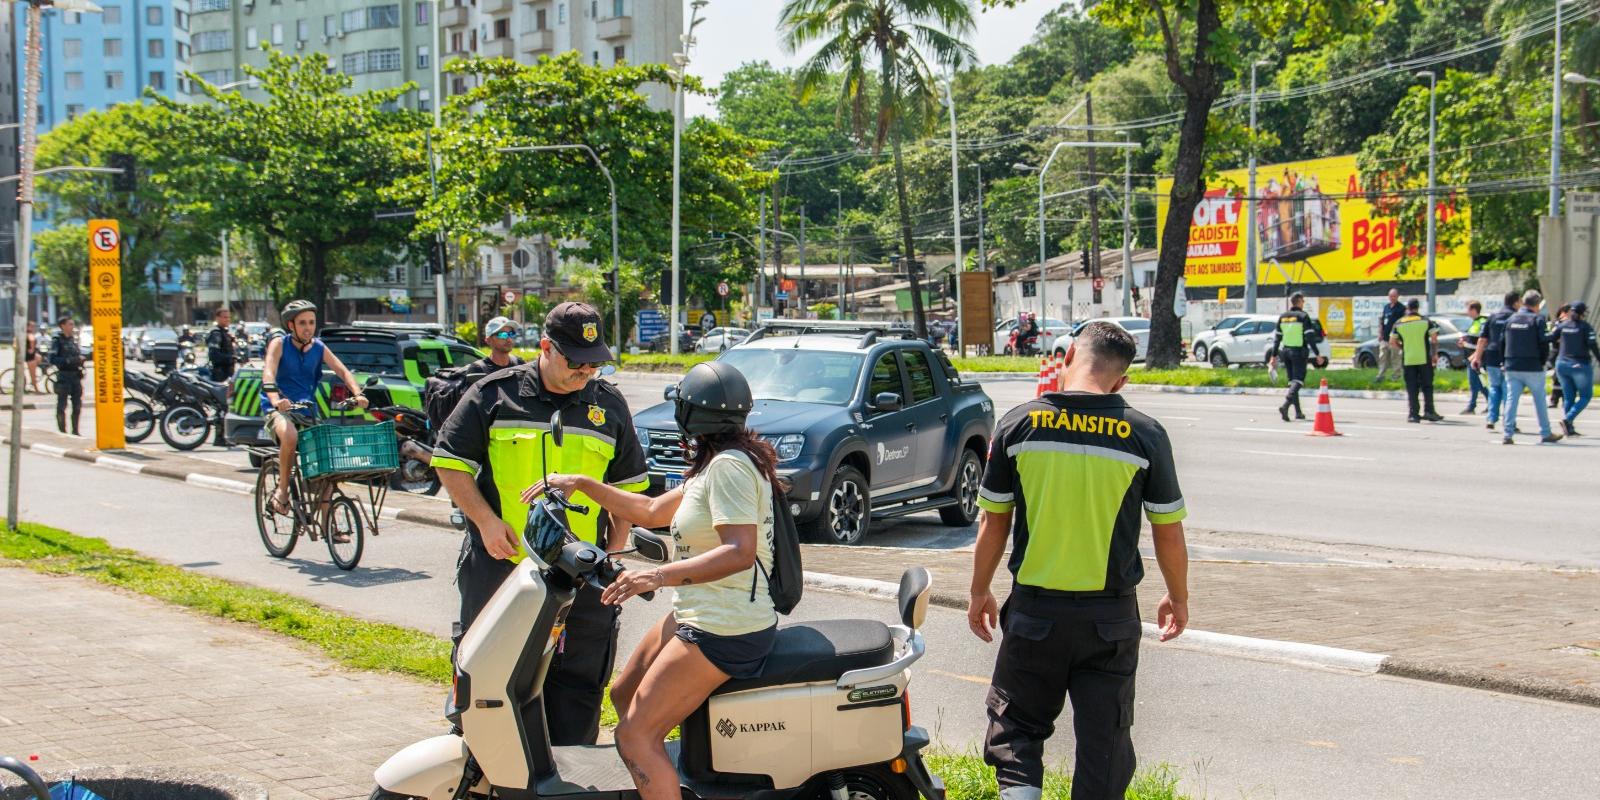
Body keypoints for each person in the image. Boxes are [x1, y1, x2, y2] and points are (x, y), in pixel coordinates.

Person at [523, 361, 777, 800]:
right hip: (700, 612)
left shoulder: (731, 468)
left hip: (725, 626)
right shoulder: (714, 465)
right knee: (624, 694)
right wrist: (582, 483)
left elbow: (740, 551)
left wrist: (655, 576)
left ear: (693, 413)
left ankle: (657, 777)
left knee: (632, 736)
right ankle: (664, 781)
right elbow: (649, 512)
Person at [968, 321, 1190, 800]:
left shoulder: (1020, 424)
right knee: (1104, 745)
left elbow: (993, 524)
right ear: (1122, 381)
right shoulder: (1145, 435)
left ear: (1066, 357)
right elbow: (1168, 533)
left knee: (1017, 731)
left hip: (1035, 615)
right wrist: (1177, 596)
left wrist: (978, 590)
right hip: (1109, 622)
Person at [431, 301, 648, 745]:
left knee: (578, 689)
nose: (586, 371)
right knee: (489, 687)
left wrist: (614, 549)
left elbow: (629, 489)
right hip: (502, 570)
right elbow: (449, 463)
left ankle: (568, 779)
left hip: (582, 579)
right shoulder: (493, 395)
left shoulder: (608, 406)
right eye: (576, 362)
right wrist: (487, 523)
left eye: (594, 363)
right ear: (545, 348)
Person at [259, 300, 371, 514]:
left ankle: (329, 524)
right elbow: (268, 372)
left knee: (329, 463)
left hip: (307, 411)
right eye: (302, 323)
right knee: (290, 436)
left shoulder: (318, 347)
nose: (308, 327)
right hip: (279, 409)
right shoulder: (280, 344)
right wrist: (275, 399)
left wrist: (357, 394)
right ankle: (282, 493)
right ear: (291, 325)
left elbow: (343, 371)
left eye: (311, 322)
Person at [1501, 290, 1561, 445]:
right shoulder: (1537, 319)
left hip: (1512, 365)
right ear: (1536, 304)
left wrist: (1504, 362)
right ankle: (1545, 433)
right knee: (1539, 401)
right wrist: (1544, 362)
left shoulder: (1511, 318)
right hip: (1532, 366)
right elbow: (1543, 343)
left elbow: (1503, 342)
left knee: (1511, 400)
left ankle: (1507, 433)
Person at [1267, 292, 1324, 422]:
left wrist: (1273, 356)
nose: (1303, 303)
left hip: (1286, 352)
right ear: (1298, 302)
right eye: (1303, 301)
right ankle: (1285, 405)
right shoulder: (1303, 316)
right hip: (1298, 352)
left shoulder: (1283, 317)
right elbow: (1309, 337)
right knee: (1298, 381)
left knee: (1292, 382)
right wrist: (1317, 354)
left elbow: (1277, 339)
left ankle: (1298, 412)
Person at [1471, 291, 1520, 431]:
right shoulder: (1515, 317)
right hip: (1507, 356)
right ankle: (1509, 422)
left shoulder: (1492, 317)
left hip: (1491, 356)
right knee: (1508, 390)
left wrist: (1477, 357)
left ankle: (1491, 419)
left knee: (1494, 388)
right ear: (1516, 302)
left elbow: (1482, 339)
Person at [1390, 299, 1442, 423]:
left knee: (1412, 387)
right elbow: (1434, 339)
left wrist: (1403, 347)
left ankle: (1413, 414)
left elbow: (1392, 342)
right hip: (1424, 358)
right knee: (1427, 386)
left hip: (1408, 359)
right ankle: (1429, 411)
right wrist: (1434, 355)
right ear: (1418, 308)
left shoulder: (1399, 323)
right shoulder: (1425, 321)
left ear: (1407, 308)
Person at [1551, 301, 1598, 437]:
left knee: (1568, 397)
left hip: (1562, 364)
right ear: (1583, 313)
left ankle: (1569, 428)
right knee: (1585, 396)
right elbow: (1593, 345)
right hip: (1579, 365)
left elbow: (1550, 338)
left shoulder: (1562, 325)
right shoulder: (1585, 327)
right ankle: (1568, 419)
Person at [48, 316, 86, 435]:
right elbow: (52, 359)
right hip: (64, 376)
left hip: (75, 376)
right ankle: (62, 431)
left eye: (73, 324)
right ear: (63, 326)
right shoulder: (57, 341)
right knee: (61, 405)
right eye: (70, 324)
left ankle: (75, 431)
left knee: (77, 405)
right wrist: (70, 360)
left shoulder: (72, 341)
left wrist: (80, 361)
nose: (72, 327)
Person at [1459, 300, 1489, 415]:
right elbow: (1472, 338)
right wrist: (1464, 341)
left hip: (1476, 358)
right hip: (1471, 357)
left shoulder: (1482, 321)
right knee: (1480, 383)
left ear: (1473, 310)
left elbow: (1483, 340)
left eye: (1468, 309)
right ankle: (1490, 402)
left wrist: (1475, 354)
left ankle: (1471, 406)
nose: (1467, 312)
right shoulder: (1474, 322)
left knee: (1475, 382)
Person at [1374, 289, 1406, 383]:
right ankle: (1381, 375)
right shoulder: (1386, 307)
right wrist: (1380, 333)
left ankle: (1396, 375)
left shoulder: (1401, 308)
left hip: (1395, 338)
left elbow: (1402, 322)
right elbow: (1382, 321)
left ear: (1397, 296)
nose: (1392, 298)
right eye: (1390, 296)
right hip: (1385, 337)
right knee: (1383, 357)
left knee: (1395, 357)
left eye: (1394, 296)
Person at [205, 308, 238, 382]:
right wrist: (232, 358)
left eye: (229, 317)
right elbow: (213, 355)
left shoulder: (224, 332)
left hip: (228, 372)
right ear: (217, 318)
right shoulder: (216, 333)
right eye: (225, 317)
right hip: (220, 373)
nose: (228, 319)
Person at [24, 321, 43, 393]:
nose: (33, 328)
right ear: (27, 327)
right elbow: (32, 340)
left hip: (31, 356)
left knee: (33, 374)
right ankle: (36, 390)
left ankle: (34, 386)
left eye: (34, 326)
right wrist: (32, 349)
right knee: (33, 374)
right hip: (30, 357)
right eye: (32, 326)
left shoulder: (25, 333)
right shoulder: (29, 334)